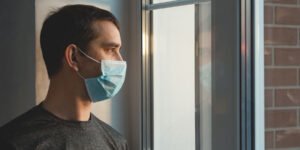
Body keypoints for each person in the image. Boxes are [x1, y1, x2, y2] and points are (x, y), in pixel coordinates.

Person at [0, 4, 128, 150]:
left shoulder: (116, 142)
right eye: (110, 50)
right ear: (73, 57)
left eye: (119, 50)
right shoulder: (14, 142)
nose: (120, 61)